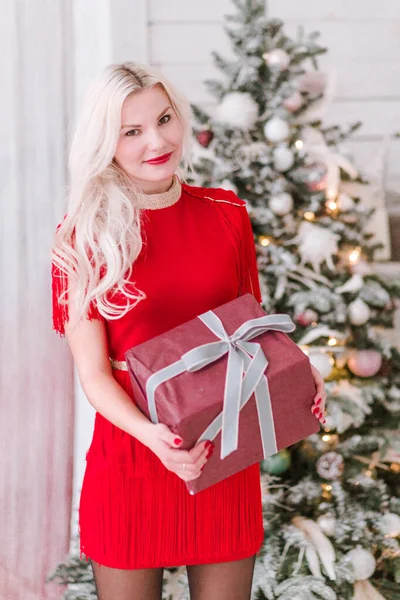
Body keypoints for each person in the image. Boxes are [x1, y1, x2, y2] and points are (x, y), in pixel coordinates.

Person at [51, 62, 327, 600]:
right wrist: (153, 437)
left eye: (165, 119)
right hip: (133, 455)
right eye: (132, 131)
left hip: (221, 450)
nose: (158, 141)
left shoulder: (227, 213)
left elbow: (252, 333)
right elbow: (93, 375)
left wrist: (303, 370)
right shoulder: (82, 238)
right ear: (107, 141)